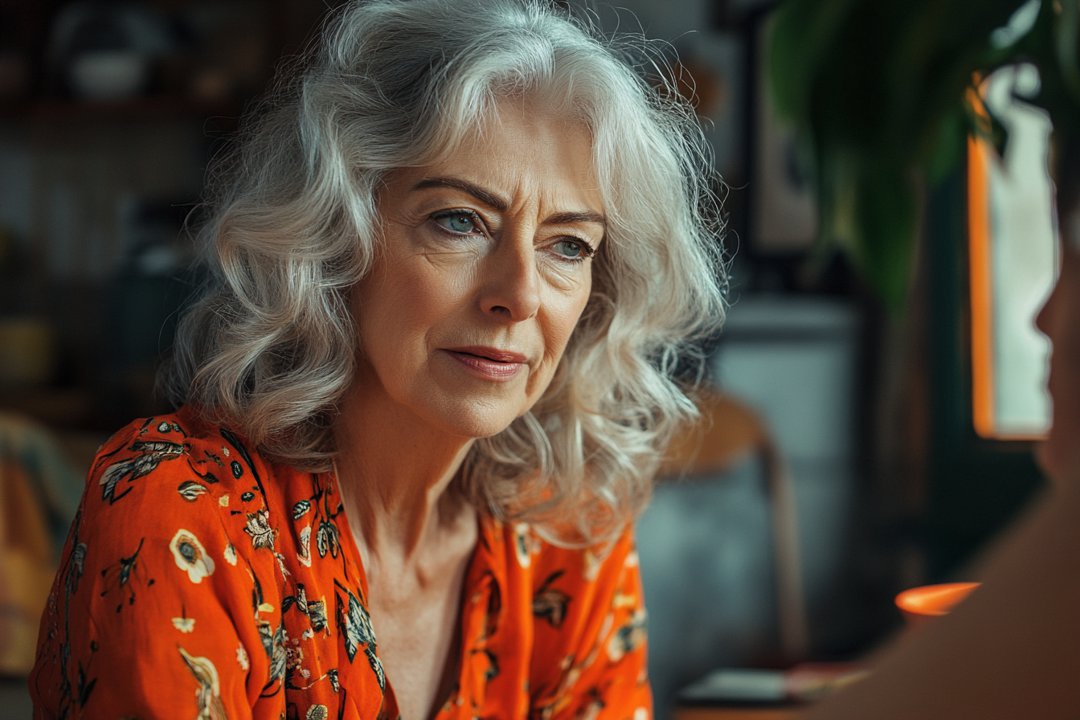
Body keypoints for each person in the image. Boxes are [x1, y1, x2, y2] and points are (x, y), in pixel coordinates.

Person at [29, 0, 725, 718]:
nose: (520, 296)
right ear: (335, 237)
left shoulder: (567, 536)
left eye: (568, 246)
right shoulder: (181, 514)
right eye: (458, 221)